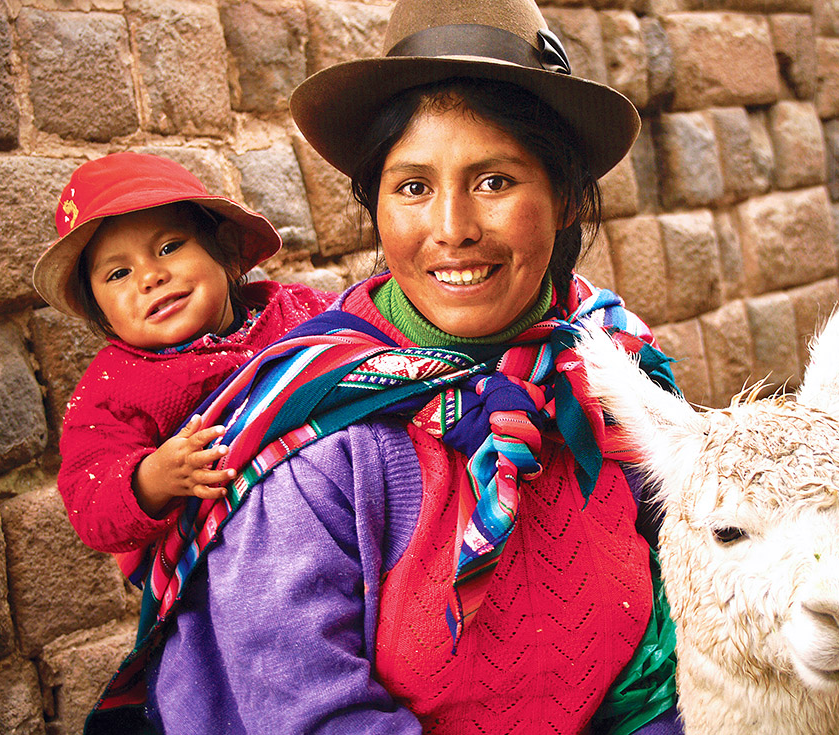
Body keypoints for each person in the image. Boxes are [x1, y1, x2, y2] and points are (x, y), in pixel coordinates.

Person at [86, 1, 683, 733]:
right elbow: (307, 708)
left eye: (494, 181)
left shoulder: (617, 369)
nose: (452, 229)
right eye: (413, 187)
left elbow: (688, 607)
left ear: (562, 198)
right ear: (376, 205)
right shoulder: (318, 435)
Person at [32, 152, 335, 560]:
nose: (149, 277)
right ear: (100, 311)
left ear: (226, 251)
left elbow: (371, 330)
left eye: (169, 247)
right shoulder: (113, 389)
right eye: (118, 274)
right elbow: (87, 501)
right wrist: (153, 479)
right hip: (244, 563)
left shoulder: (300, 310)